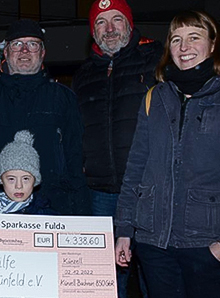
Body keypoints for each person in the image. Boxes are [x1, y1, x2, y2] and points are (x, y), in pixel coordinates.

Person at [114, 11, 220, 298]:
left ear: (213, 45)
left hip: (209, 247)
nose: (184, 47)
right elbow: (136, 170)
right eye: (176, 39)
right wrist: (125, 229)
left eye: (194, 37)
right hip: (155, 246)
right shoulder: (154, 98)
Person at [71, 1, 161, 295]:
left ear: (130, 24)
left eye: (116, 20)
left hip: (148, 191)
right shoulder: (84, 73)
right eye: (100, 22)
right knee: (105, 277)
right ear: (92, 32)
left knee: (155, 273)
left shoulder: (155, 61)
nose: (109, 29)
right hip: (100, 193)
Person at [0, 19, 86, 215]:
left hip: (53, 209)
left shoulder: (63, 98)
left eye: (32, 44)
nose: (24, 51)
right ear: (6, 52)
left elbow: (75, 158)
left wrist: (80, 214)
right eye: (17, 44)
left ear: (43, 53)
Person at [0, 130, 56, 215]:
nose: (19, 186)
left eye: (25, 179)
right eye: (11, 179)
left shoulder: (47, 217)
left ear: (35, 180)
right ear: (1, 180)